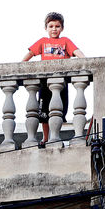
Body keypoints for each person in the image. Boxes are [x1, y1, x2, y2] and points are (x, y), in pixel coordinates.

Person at [22, 12, 85, 142]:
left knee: (58, 111)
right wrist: (21, 64)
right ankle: (45, 138)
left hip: (60, 83)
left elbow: (76, 52)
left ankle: (55, 136)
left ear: (62, 28)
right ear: (46, 28)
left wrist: (85, 60)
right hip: (45, 83)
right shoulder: (43, 42)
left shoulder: (65, 41)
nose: (54, 29)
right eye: (51, 26)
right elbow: (30, 53)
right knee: (44, 112)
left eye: (57, 26)